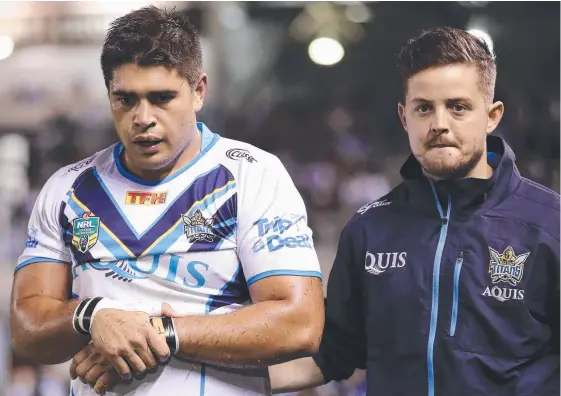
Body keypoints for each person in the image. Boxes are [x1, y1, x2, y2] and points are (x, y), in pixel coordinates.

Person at [10, 6, 325, 396]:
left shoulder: (252, 175)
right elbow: (27, 328)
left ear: (199, 92)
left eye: (162, 98)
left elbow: (301, 324)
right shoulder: (67, 189)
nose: (143, 117)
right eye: (125, 99)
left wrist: (159, 334)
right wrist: (91, 316)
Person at [269, 27, 560, 396]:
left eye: (458, 107)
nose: (439, 123)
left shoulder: (549, 224)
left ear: (492, 115)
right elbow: (334, 353)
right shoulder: (368, 229)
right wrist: (204, 378)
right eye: (424, 108)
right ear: (405, 117)